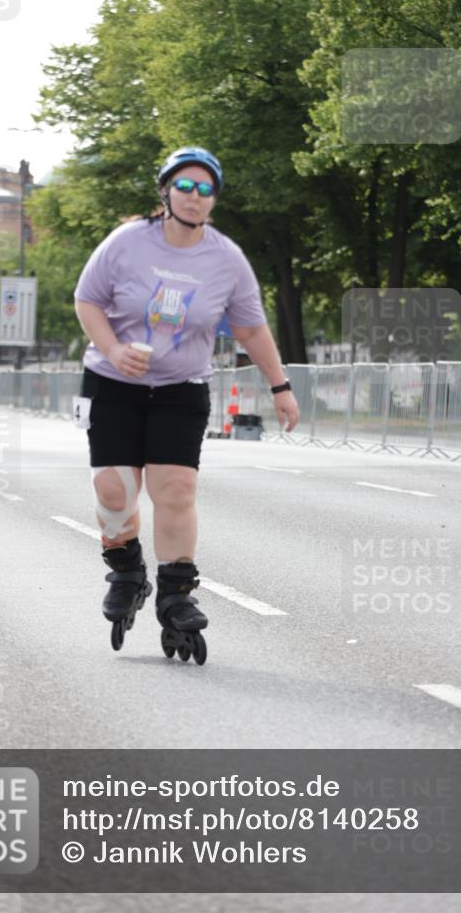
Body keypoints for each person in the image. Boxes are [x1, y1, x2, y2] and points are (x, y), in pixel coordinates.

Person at [73, 146, 300, 665]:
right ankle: (128, 571)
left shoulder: (226, 258)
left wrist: (280, 385)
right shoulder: (126, 243)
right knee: (115, 490)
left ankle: (176, 592)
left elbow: (250, 326)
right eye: (186, 186)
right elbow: (87, 300)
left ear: (214, 199)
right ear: (166, 191)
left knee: (175, 488)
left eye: (206, 189)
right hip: (113, 382)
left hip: (181, 387)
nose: (196, 197)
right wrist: (112, 348)